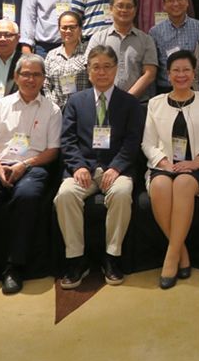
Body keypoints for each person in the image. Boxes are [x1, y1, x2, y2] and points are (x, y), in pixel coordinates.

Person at [0, 54, 62, 294]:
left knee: (27, 197)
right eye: (25, 74)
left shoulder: (52, 109)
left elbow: (53, 151)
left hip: (33, 168)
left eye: (36, 75)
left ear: (44, 79)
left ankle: (14, 267)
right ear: (16, 77)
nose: (31, 79)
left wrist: (24, 165)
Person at [55, 45, 144, 289]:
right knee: (65, 195)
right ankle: (76, 259)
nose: (102, 72)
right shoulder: (76, 101)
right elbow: (67, 140)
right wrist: (78, 166)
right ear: (88, 70)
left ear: (116, 69)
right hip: (82, 169)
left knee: (122, 193)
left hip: (117, 169)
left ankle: (112, 258)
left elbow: (133, 141)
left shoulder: (130, 103)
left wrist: (116, 168)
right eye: (96, 67)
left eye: (107, 67)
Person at [142, 50, 199, 289]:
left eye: (186, 70)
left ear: (194, 74)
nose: (181, 75)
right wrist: (163, 162)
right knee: (160, 185)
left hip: (196, 166)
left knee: (183, 184)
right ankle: (181, 251)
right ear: (168, 74)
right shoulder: (155, 103)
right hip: (163, 164)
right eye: (176, 70)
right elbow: (147, 143)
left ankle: (170, 257)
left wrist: (197, 162)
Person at [85, 0, 158, 102]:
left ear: (135, 10)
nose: (124, 10)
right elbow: (91, 70)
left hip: (138, 104)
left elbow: (150, 74)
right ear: (111, 9)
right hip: (104, 102)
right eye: (120, 6)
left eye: (129, 6)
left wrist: (126, 100)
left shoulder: (146, 40)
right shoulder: (98, 39)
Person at [148, 0, 199, 93]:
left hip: (195, 89)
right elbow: (153, 67)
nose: (176, 3)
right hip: (165, 89)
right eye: (170, 0)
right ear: (164, 4)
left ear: (187, 1)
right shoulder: (155, 32)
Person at [43, 11, 91, 108]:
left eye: (72, 27)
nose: (68, 31)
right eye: (64, 27)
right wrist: (51, 106)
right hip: (56, 109)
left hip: (82, 107)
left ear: (80, 29)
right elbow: (46, 84)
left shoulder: (88, 53)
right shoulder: (51, 55)